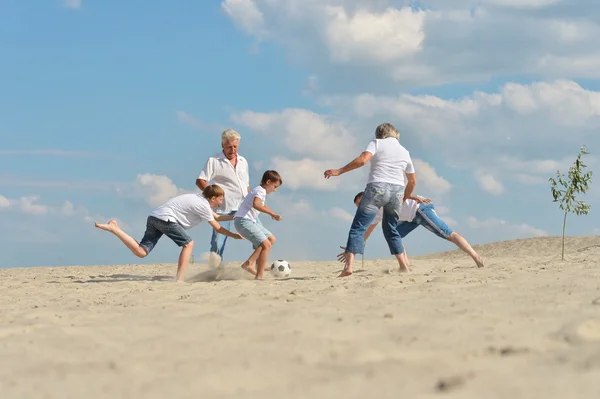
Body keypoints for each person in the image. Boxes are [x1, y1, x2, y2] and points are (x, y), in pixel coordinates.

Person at [94, 185, 243, 282]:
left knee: (141, 252)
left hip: (154, 217)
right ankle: (180, 279)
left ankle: (115, 229)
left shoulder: (199, 199)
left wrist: (236, 216)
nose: (221, 203)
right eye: (220, 200)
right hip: (166, 219)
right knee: (188, 243)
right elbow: (218, 228)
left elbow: (217, 217)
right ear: (212, 198)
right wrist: (234, 235)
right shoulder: (203, 205)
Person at [324, 122, 416, 277]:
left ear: (380, 133)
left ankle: (348, 267)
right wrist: (402, 199)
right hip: (397, 191)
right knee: (391, 230)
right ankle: (403, 266)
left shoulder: (377, 143)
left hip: (377, 187)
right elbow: (412, 181)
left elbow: (362, 160)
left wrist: (339, 171)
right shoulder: (404, 151)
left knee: (359, 227)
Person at [337, 192, 485, 268]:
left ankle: (476, 257)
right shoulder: (375, 214)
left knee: (449, 235)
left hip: (420, 209)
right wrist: (352, 248)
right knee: (394, 235)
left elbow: (401, 193)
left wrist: (415, 197)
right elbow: (366, 233)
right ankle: (406, 265)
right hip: (411, 219)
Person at [196, 129, 250, 260]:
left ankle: (256, 266)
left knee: (258, 235)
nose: (232, 150)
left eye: (235, 146)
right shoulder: (214, 161)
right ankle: (213, 269)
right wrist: (212, 196)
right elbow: (200, 180)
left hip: (244, 207)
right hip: (223, 208)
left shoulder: (243, 161)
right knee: (218, 241)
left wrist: (252, 202)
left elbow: (246, 185)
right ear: (222, 145)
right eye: (229, 147)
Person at [234, 170, 283, 280]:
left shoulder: (260, 191)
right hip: (243, 221)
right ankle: (258, 275)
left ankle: (252, 264)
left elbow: (263, 205)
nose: (275, 190)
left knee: (271, 239)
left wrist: (273, 214)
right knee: (266, 245)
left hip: (250, 220)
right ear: (268, 182)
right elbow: (256, 205)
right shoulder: (260, 191)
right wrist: (271, 213)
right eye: (275, 187)